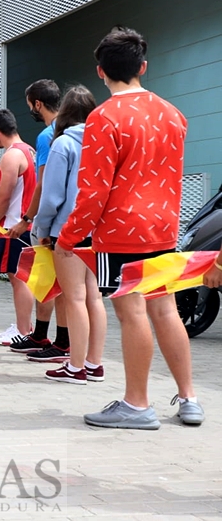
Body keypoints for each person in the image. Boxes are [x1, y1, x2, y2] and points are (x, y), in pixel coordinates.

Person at [57, 27, 203, 429]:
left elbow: (93, 190)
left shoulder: (103, 118)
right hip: (163, 226)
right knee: (165, 309)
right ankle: (189, 398)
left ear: (100, 71)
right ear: (143, 66)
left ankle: (137, 404)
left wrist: (70, 236)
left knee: (132, 311)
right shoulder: (173, 114)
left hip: (120, 230)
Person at [32, 86, 107, 384]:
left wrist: (42, 228)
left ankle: (75, 367)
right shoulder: (103, 142)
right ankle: (95, 364)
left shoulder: (62, 144)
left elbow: (52, 196)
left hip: (67, 229)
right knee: (94, 298)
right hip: (98, 230)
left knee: (74, 297)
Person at [2, 79, 68, 351]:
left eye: (30, 104)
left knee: (50, 281)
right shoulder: (77, 130)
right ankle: (52, 338)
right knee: (65, 286)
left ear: (37, 104)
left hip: (53, 222)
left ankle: (56, 341)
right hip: (78, 219)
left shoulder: (47, 136)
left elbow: (44, 184)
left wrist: (28, 220)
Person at [0, 111, 38, 339]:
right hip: (28, 224)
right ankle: (25, 327)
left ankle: (22, 330)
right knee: (24, 279)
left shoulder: (11, 155)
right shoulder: (30, 151)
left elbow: (4, 196)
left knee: (19, 280)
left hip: (13, 226)